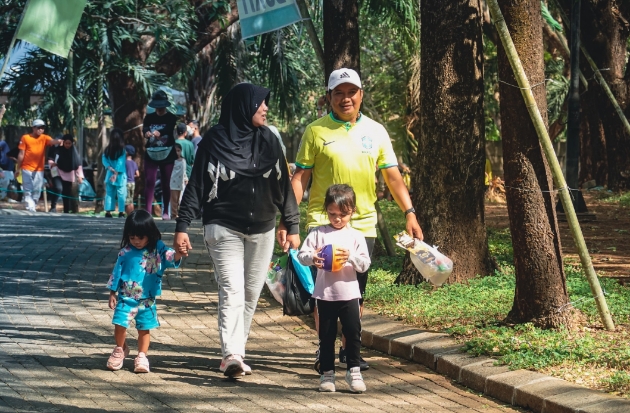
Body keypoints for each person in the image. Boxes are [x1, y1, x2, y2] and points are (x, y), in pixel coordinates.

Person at [278, 68, 424, 371]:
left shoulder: (376, 131)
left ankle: (348, 349)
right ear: (329, 97)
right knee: (325, 292)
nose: (346, 98)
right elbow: (300, 178)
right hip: (322, 221)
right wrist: (287, 221)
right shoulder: (315, 131)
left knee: (354, 291)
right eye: (339, 93)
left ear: (361, 95)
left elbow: (394, 178)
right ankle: (325, 351)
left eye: (351, 92)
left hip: (362, 224)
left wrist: (410, 213)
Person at [174, 83, 300, 378]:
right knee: (232, 288)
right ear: (243, 106)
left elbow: (284, 187)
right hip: (222, 226)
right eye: (260, 104)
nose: (266, 108)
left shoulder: (270, 141)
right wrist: (182, 226)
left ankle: (236, 353)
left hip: (263, 228)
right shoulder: (214, 142)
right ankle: (231, 353)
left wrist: (291, 224)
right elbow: (196, 187)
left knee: (252, 292)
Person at [297, 184, 370, 393]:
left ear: (353, 211)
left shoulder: (356, 236)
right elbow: (302, 255)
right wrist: (313, 258)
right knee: (326, 337)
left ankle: (353, 371)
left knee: (353, 333)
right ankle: (327, 374)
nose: (337, 219)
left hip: (349, 295)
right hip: (325, 294)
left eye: (343, 215)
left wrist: (351, 257)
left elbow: (365, 264)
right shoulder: (318, 233)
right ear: (326, 210)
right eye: (332, 214)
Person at [106, 209, 182, 373]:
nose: (136, 241)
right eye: (132, 237)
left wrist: (178, 253)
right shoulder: (125, 252)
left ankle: (142, 355)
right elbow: (116, 272)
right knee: (119, 324)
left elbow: (170, 257)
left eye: (140, 237)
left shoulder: (157, 248)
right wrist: (112, 293)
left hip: (147, 298)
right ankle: (120, 349)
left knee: (144, 328)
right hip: (125, 297)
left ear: (150, 233)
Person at [143, 90, 178, 219]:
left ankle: (166, 211)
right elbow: (145, 128)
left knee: (166, 182)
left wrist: (160, 132)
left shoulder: (171, 117)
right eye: (156, 107)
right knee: (150, 181)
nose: (159, 109)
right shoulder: (149, 117)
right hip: (151, 153)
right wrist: (147, 132)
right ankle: (147, 211)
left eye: (161, 107)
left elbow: (169, 128)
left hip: (167, 153)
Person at [15, 119, 62, 212]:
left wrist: (60, 141)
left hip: (39, 169)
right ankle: (30, 208)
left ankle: (33, 204)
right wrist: (18, 169)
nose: (41, 130)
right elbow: (21, 154)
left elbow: (52, 141)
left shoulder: (44, 138)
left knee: (37, 189)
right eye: (39, 127)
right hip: (26, 168)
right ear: (33, 128)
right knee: (28, 189)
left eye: (43, 128)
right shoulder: (25, 138)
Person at [47, 134, 84, 213]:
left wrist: (80, 176)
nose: (67, 145)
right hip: (57, 171)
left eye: (69, 143)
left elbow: (78, 164)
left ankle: (66, 210)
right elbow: (51, 159)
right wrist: (52, 164)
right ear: (63, 142)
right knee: (58, 188)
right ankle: (53, 207)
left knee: (66, 192)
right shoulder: (57, 150)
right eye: (66, 143)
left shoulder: (73, 152)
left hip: (69, 174)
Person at [102, 128, 128, 218]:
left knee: (109, 193)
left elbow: (104, 160)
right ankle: (121, 212)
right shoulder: (122, 150)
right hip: (120, 176)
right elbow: (120, 162)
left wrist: (110, 168)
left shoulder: (107, 150)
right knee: (121, 194)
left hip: (109, 175)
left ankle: (108, 211)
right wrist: (116, 173)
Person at [169, 143, 187, 220]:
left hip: (181, 183)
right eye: (175, 151)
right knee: (174, 200)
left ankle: (181, 213)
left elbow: (184, 171)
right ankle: (174, 214)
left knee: (181, 199)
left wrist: (186, 178)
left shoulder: (183, 160)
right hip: (173, 182)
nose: (177, 152)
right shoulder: (171, 161)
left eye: (178, 151)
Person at [125, 145, 139, 215]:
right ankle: (132, 214)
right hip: (133, 182)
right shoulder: (134, 163)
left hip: (126, 182)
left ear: (126, 152)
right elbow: (137, 174)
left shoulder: (124, 163)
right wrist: (132, 176)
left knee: (127, 201)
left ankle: (129, 215)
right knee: (131, 200)